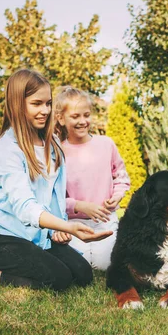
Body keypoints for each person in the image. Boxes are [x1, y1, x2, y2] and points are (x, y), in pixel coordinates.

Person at [0, 69, 111, 291]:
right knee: (58, 280)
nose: (45, 110)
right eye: (37, 103)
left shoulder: (53, 144)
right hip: (0, 236)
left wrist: (56, 229)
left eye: (48, 103)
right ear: (17, 104)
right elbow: (25, 208)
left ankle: (32, 255)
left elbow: (54, 195)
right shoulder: (7, 149)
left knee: (82, 274)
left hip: (37, 236)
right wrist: (69, 226)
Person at [54, 86, 130, 271]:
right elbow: (53, 197)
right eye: (75, 116)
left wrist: (118, 196)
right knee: (81, 265)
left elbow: (121, 177)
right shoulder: (57, 152)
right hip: (73, 223)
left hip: (105, 220)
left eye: (86, 115)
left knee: (105, 265)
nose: (82, 121)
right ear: (61, 119)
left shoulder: (106, 144)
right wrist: (78, 205)